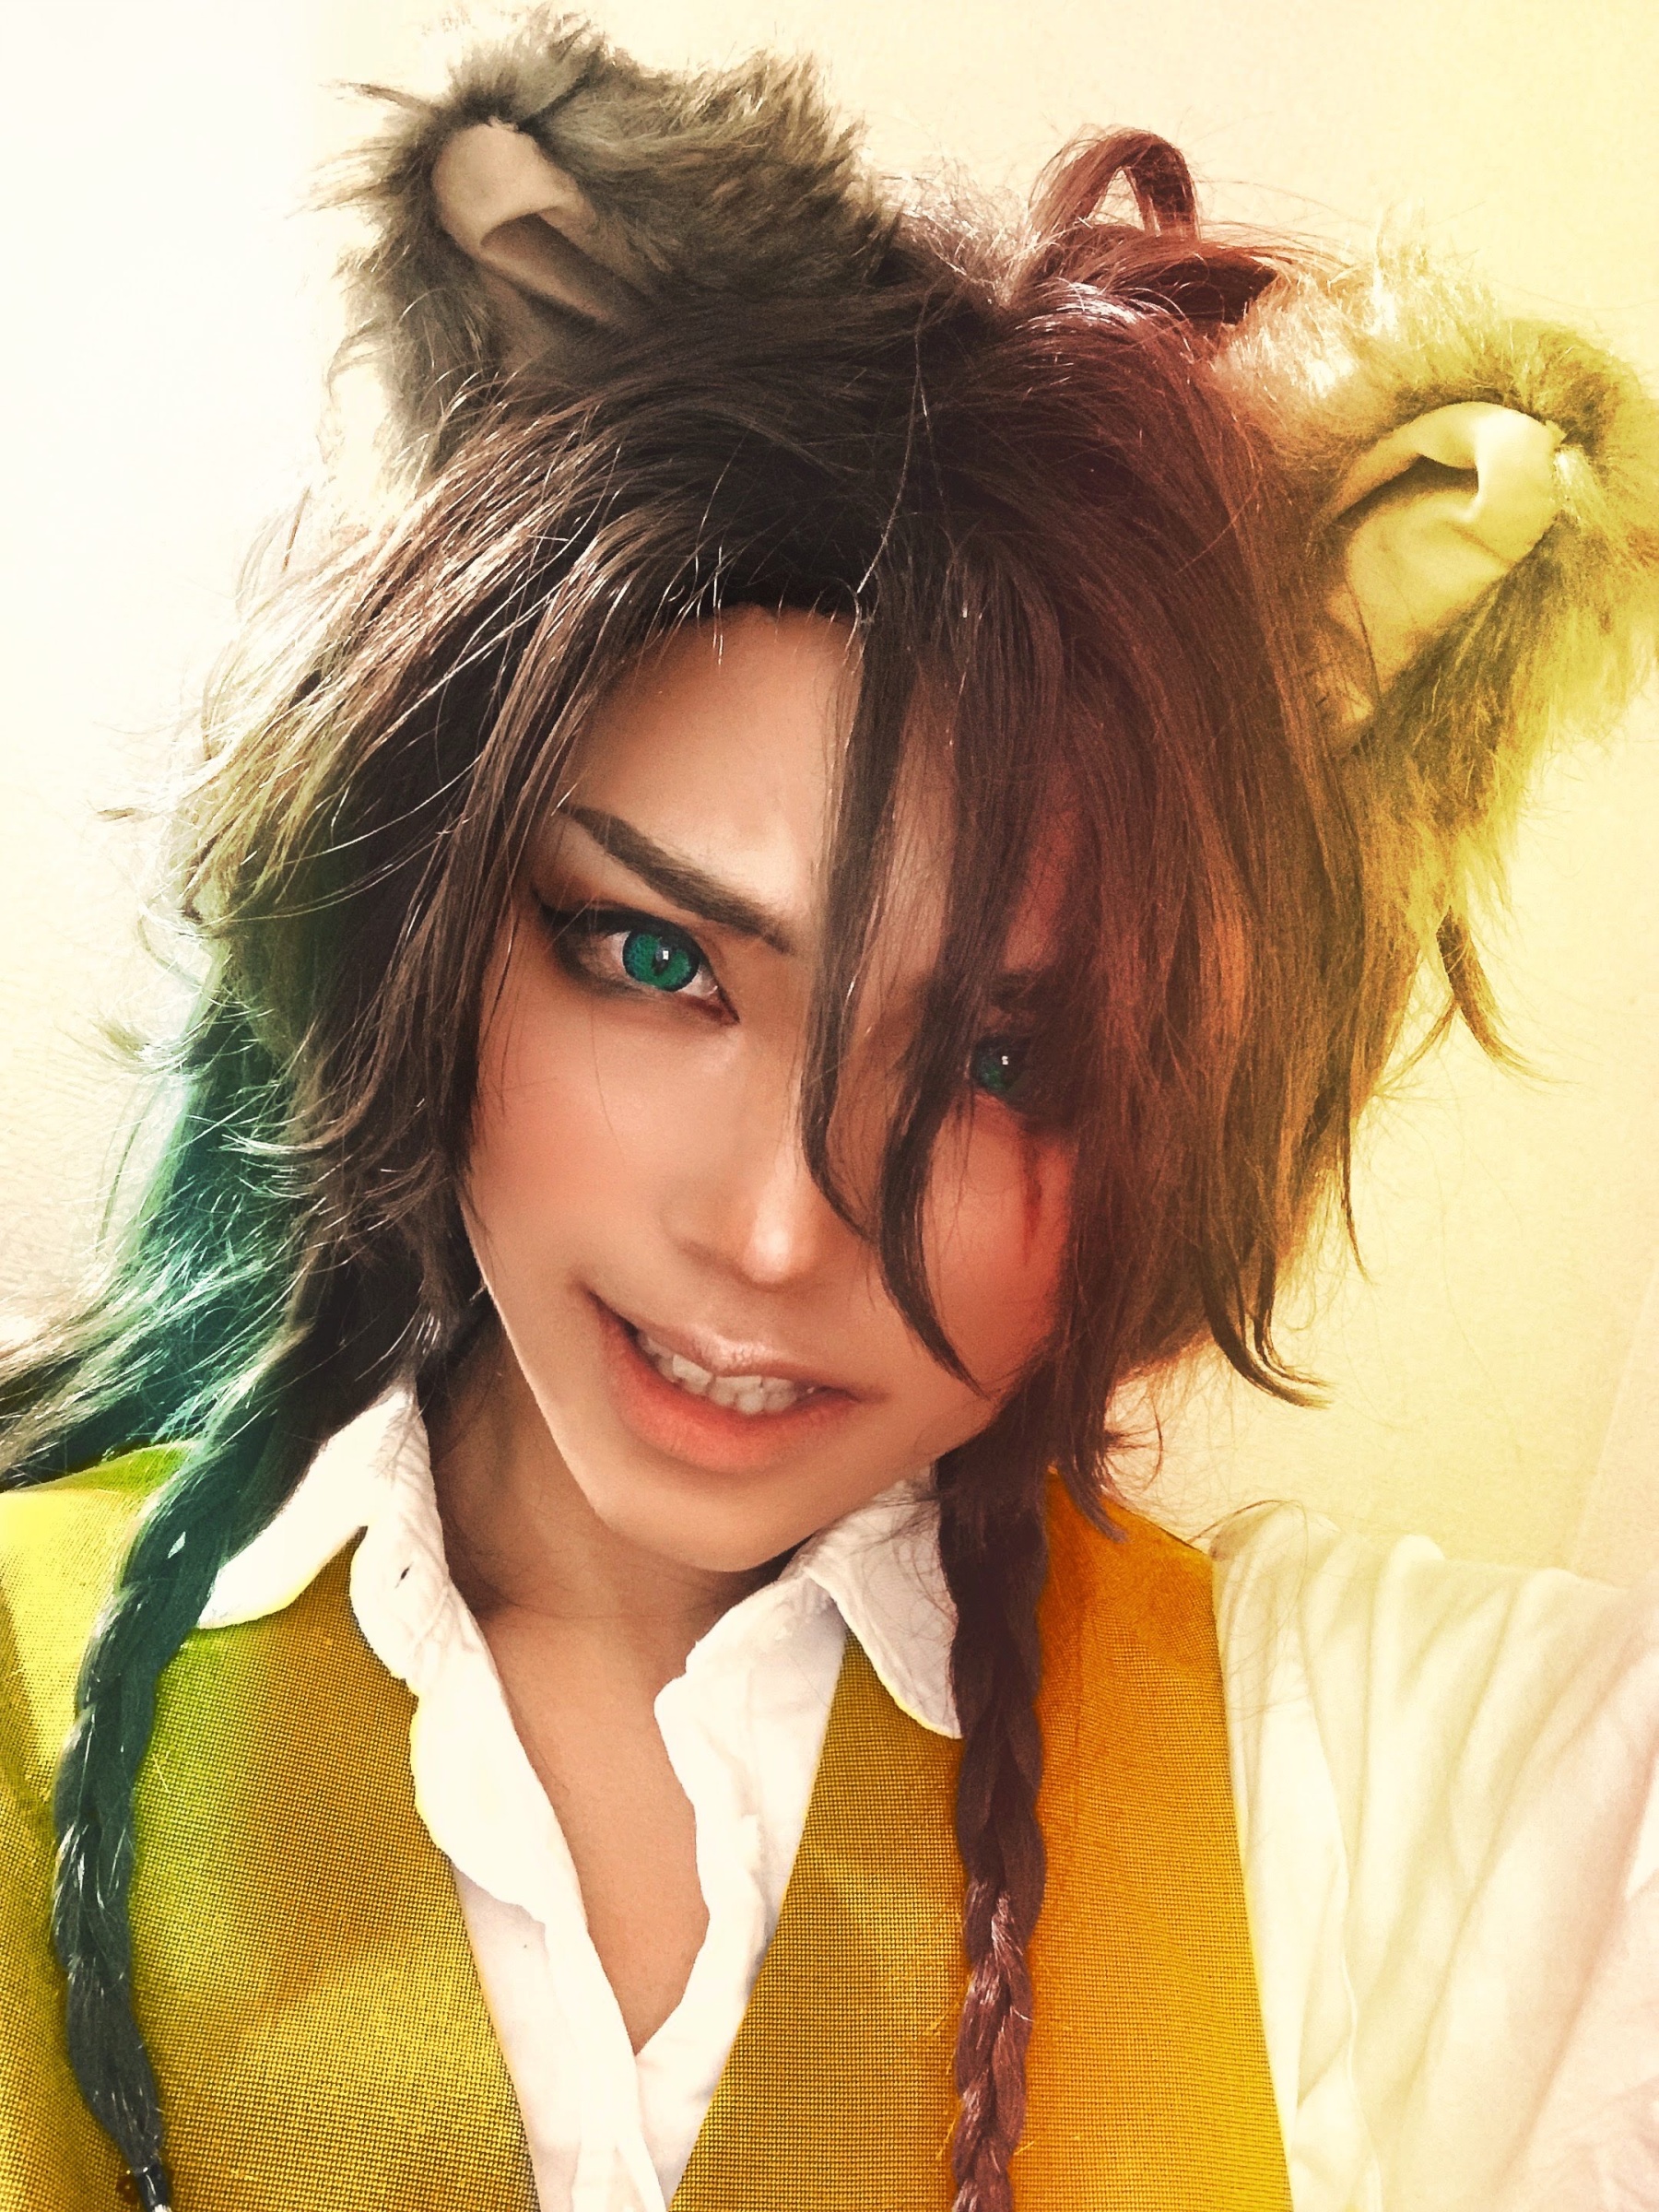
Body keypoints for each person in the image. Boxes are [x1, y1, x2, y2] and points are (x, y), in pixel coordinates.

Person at [2, 11, 1656, 2211]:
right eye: (656, 960)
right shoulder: (29, 1657)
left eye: (999, 1066)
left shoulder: (1364, 1777)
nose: (783, 1234)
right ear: (425, 917)